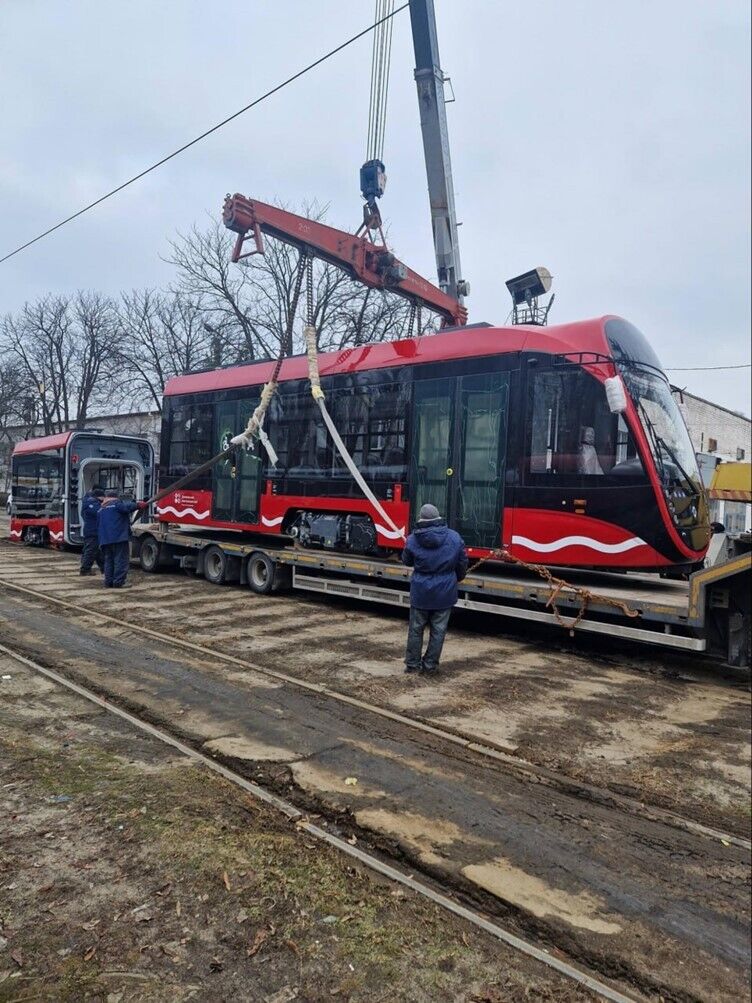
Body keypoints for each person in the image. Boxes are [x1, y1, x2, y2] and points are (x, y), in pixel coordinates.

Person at [401, 503, 468, 676]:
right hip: (445, 591)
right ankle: (430, 666)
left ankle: (412, 665)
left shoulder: (412, 539)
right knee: (438, 631)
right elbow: (462, 563)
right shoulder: (454, 537)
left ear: (421, 519)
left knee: (416, 629)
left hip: (421, 590)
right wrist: (457, 578)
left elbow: (406, 561)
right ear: (438, 517)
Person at [97, 489, 147, 589]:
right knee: (121, 560)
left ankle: (108, 582)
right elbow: (126, 507)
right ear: (116, 497)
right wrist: (138, 505)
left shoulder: (101, 509)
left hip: (105, 540)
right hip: (118, 538)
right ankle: (119, 582)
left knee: (109, 561)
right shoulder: (116, 504)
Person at [79, 485, 105, 575]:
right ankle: (85, 569)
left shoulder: (88, 502)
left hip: (92, 530)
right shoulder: (93, 505)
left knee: (98, 552)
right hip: (93, 531)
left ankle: (104, 568)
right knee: (91, 551)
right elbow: (99, 513)